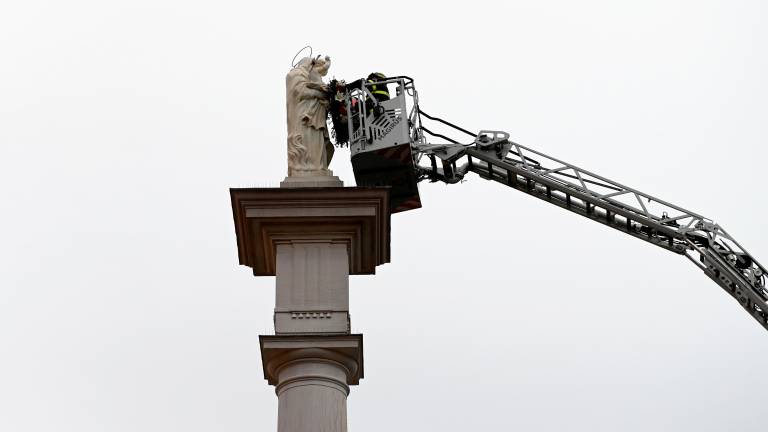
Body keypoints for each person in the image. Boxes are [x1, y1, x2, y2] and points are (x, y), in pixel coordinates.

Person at [284, 55, 335, 176]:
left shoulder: (310, 75)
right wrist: (319, 93)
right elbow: (300, 91)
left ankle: (318, 167)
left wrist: (326, 99)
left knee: (319, 143)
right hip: (302, 118)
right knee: (307, 141)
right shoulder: (295, 74)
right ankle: (307, 168)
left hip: (316, 116)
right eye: (313, 64)